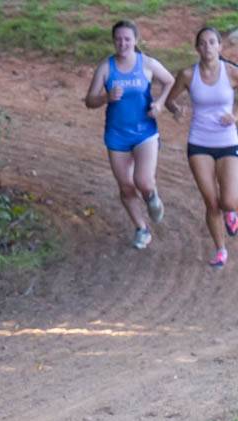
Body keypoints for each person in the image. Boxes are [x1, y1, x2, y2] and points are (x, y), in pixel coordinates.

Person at [84, 20, 175, 249]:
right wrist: (106, 97)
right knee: (125, 186)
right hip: (117, 135)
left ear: (136, 40)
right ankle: (141, 228)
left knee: (142, 181)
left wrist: (160, 104)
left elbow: (170, 81)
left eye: (127, 39)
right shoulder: (106, 68)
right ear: (113, 40)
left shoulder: (147, 63)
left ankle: (151, 195)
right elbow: (89, 101)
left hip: (145, 132)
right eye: (118, 39)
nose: (122, 43)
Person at [167, 26, 238, 268]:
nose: (207, 47)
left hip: (227, 141)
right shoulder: (188, 74)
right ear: (197, 48)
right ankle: (220, 250)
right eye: (203, 43)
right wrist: (177, 110)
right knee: (211, 202)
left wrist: (235, 116)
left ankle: (232, 212)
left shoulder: (231, 72)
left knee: (228, 200)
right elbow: (170, 99)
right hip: (199, 142)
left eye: (212, 42)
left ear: (220, 46)